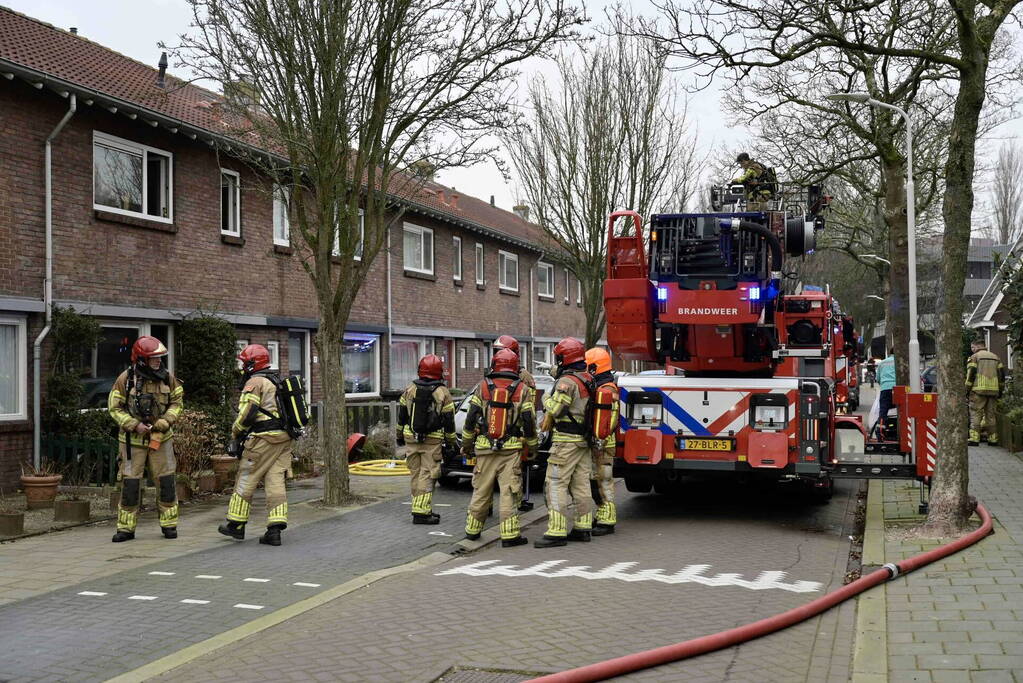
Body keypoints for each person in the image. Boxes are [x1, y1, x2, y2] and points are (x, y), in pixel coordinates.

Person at [108, 336, 184, 542]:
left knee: (166, 482)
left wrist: (165, 421)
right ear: (141, 359)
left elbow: (177, 402)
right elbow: (114, 408)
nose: (158, 361)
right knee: (130, 485)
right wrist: (135, 425)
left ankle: (169, 525)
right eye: (154, 358)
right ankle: (126, 528)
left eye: (160, 357)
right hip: (132, 443)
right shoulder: (126, 379)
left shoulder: (168, 378)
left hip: (161, 439)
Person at [218, 344, 294, 546]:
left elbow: (248, 413)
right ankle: (274, 530)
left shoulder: (254, 382)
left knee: (246, 476)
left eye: (244, 363)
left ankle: (236, 524)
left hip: (262, 440)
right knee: (275, 480)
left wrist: (235, 432)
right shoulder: (276, 380)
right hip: (283, 439)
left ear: (252, 364)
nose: (242, 367)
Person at [461, 349, 537, 547]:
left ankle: (472, 531)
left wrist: (467, 445)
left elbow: (470, 418)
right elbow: (529, 421)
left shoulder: (482, 387)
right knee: (508, 492)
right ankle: (510, 535)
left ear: (494, 365)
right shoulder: (523, 389)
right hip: (510, 450)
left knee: (481, 490)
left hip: (484, 448)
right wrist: (532, 446)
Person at [535, 337, 594, 548]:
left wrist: (544, 399)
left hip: (565, 442)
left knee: (555, 483)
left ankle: (557, 531)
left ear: (565, 358)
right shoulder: (587, 377)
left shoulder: (566, 382)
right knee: (581, 484)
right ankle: (583, 527)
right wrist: (551, 370)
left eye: (559, 357)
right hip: (583, 440)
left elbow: (557, 409)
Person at [396, 354, 456, 524]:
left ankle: (420, 508)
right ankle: (421, 513)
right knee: (427, 474)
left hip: (410, 438)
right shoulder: (442, 392)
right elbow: (449, 421)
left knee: (415, 474)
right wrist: (451, 442)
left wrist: (399, 436)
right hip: (432, 440)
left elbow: (402, 416)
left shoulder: (410, 389)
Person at [493, 334, 538, 512]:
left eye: (500, 351)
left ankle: (518, 501)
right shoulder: (492, 373)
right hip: (493, 429)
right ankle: (489, 506)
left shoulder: (524, 377)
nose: (497, 355)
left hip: (515, 432)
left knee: (515, 471)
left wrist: (528, 437)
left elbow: (529, 409)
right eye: (496, 351)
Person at [585, 348, 619, 536]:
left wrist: (600, 440)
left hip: (603, 444)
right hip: (599, 442)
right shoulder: (601, 385)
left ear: (594, 367)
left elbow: (611, 419)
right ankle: (602, 514)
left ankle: (607, 520)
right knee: (595, 480)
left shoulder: (608, 389)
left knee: (603, 480)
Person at [966, 339, 1005, 446]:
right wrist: (1000, 390)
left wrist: (967, 390)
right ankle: (993, 439)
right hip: (993, 391)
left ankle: (974, 439)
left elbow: (970, 375)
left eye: (973, 347)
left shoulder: (974, 357)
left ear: (978, 346)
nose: (972, 349)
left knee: (975, 414)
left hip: (978, 391)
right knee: (991, 416)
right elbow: (1002, 375)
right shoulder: (996, 357)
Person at [871, 352, 896, 439]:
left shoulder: (882, 363)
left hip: (885, 389)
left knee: (883, 412)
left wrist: (884, 384)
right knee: (902, 410)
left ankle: (880, 432)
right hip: (898, 389)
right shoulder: (900, 361)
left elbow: (878, 379)